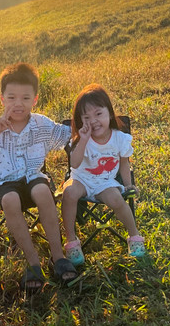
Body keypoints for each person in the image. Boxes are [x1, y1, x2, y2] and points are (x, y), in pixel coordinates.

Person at [0, 62, 78, 292]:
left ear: (35, 99)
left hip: (32, 176)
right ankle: (32, 263)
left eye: (25, 98)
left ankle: (58, 257)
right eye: (11, 98)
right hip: (2, 182)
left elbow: (68, 136)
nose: (18, 104)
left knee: (42, 190)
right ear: (2, 99)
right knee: (10, 199)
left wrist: (95, 129)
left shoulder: (41, 124)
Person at [61, 84, 146, 265]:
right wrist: (83, 140)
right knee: (69, 193)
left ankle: (134, 236)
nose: (93, 121)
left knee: (116, 198)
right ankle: (71, 242)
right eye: (86, 117)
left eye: (98, 114)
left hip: (104, 181)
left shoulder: (119, 138)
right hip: (81, 179)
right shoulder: (81, 138)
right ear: (80, 120)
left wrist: (128, 184)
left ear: (109, 113)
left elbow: (124, 162)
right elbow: (74, 164)